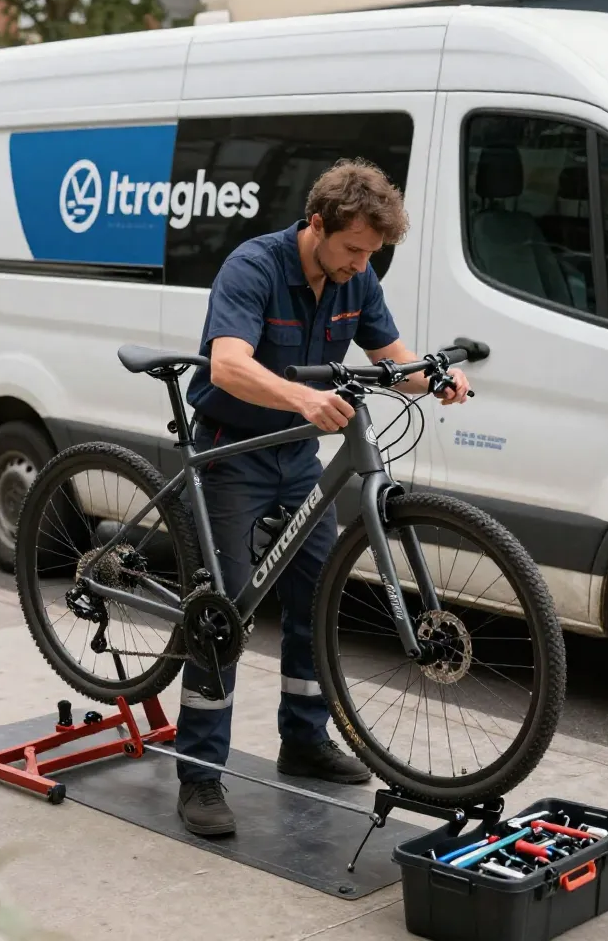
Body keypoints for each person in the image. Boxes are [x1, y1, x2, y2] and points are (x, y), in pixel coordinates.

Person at [176, 158, 471, 836]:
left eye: (372, 254)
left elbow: (393, 359)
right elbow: (228, 365)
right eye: (354, 250)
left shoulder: (355, 276)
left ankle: (305, 739)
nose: (362, 265)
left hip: (297, 459)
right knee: (223, 614)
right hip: (233, 451)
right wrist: (303, 399)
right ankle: (198, 773)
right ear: (317, 224)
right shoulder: (254, 267)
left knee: (317, 596)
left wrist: (435, 378)